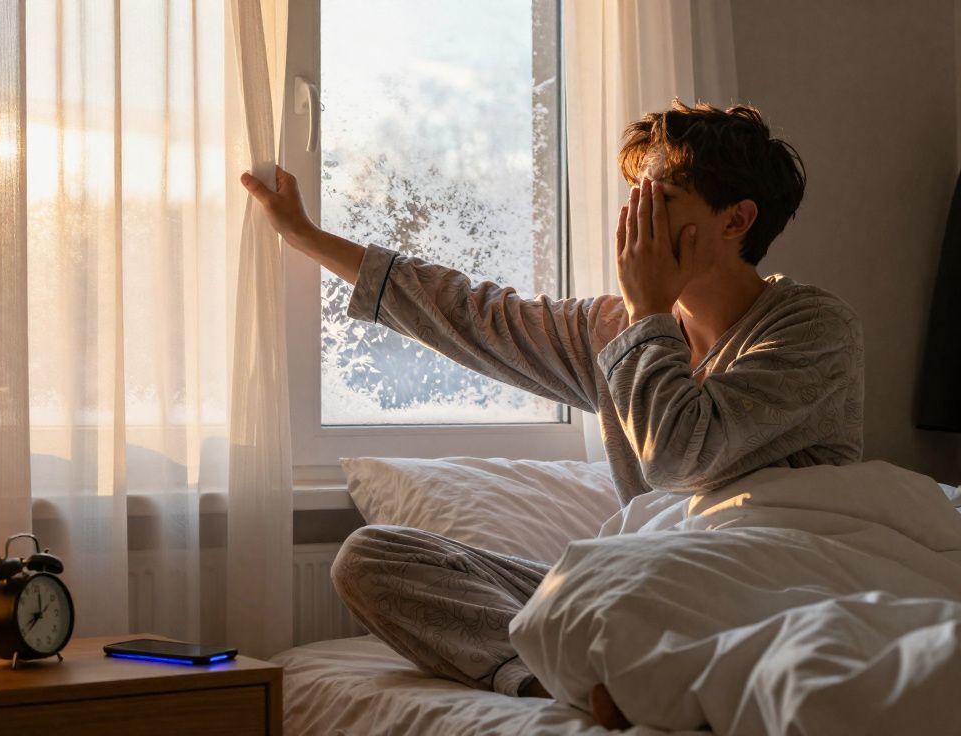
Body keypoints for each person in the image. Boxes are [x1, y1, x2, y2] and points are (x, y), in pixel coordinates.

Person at [240, 100, 864, 721]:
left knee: (642, 583)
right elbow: (473, 313)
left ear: (737, 220)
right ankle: (555, 683)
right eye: (631, 195)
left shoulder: (811, 327)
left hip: (754, 590)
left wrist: (648, 313)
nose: (631, 216)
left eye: (659, 198)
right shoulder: (614, 329)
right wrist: (307, 238)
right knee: (372, 558)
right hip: (637, 586)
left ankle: (635, 670)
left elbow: (679, 457)